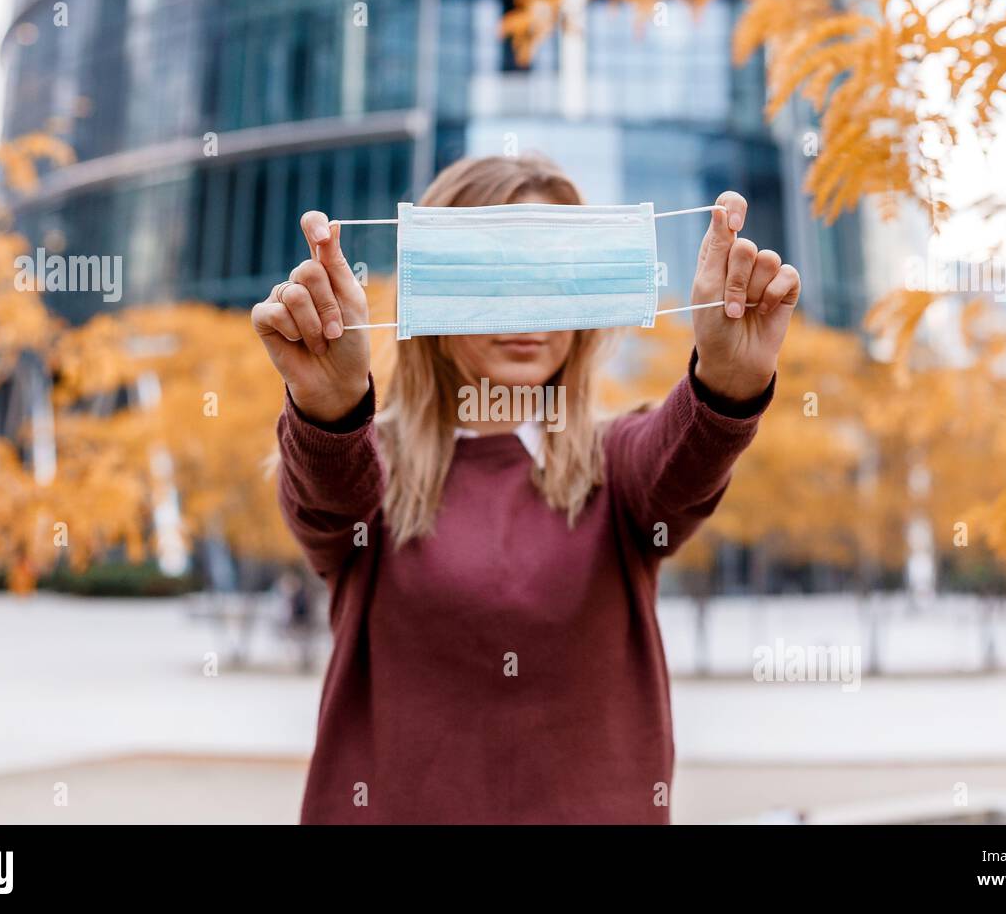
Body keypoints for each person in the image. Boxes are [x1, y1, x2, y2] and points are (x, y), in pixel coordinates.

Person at [251, 155, 800, 824]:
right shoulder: (367, 462)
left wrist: (727, 384)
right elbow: (328, 494)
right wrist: (331, 408)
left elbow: (683, 461)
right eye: (494, 271)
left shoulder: (617, 466)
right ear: (434, 287)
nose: (526, 308)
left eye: (554, 275)